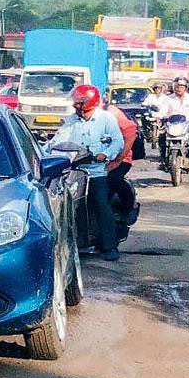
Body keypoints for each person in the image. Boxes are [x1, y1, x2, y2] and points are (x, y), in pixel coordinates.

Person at [53, 84, 125, 261]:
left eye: (79, 103)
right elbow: (59, 139)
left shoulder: (105, 119)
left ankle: (110, 246)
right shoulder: (72, 120)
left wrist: (105, 154)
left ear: (89, 103)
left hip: (95, 172)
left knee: (101, 204)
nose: (76, 107)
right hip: (74, 171)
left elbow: (117, 142)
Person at [104, 97, 139, 211]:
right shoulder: (76, 117)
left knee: (113, 179)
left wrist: (118, 159)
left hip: (119, 158)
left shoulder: (110, 112)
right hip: (92, 160)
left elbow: (131, 130)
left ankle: (129, 206)